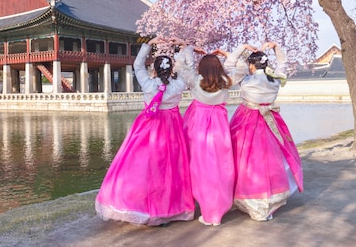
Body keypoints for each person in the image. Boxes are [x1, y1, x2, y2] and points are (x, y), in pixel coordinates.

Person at [95, 37, 195, 226]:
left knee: (143, 166)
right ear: (172, 69)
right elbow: (189, 70)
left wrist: (148, 44)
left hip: (148, 128)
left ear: (155, 69)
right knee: (171, 167)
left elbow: (138, 64)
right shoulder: (178, 84)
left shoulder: (148, 84)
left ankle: (141, 206)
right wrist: (184, 47)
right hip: (172, 129)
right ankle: (169, 207)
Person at [223, 41, 303, 222]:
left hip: (246, 121)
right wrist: (276, 47)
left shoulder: (246, 80)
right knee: (270, 159)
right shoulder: (275, 79)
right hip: (270, 121)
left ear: (251, 65)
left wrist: (242, 48)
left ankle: (246, 197)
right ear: (266, 64)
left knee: (245, 160)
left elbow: (228, 67)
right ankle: (269, 202)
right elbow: (283, 62)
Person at [172, 38, 235, 226]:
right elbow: (238, 66)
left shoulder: (196, 81)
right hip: (220, 127)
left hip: (199, 126)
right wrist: (225, 54)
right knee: (221, 166)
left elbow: (183, 66)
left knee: (201, 168)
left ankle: (208, 212)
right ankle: (219, 208)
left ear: (203, 68)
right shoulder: (226, 81)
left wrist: (187, 48)